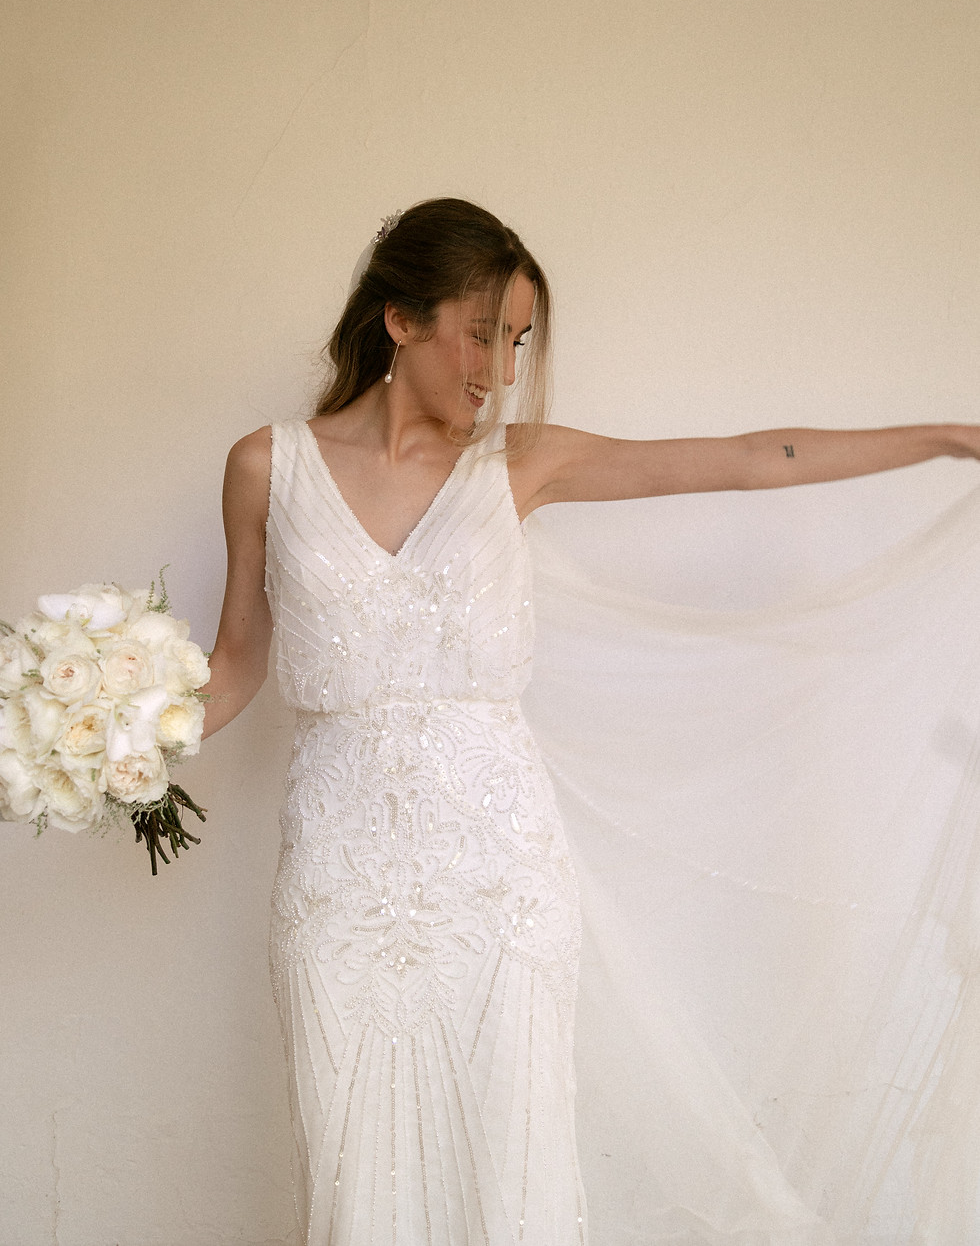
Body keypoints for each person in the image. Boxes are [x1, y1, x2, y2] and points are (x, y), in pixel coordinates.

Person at [200, 198, 980, 1245]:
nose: (500, 369)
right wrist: (105, 741)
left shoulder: (519, 464)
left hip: (500, 880)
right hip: (340, 882)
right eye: (481, 332)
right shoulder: (266, 466)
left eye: (516, 341)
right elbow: (236, 662)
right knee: (353, 1161)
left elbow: (752, 456)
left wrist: (949, 436)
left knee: (511, 1161)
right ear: (399, 318)